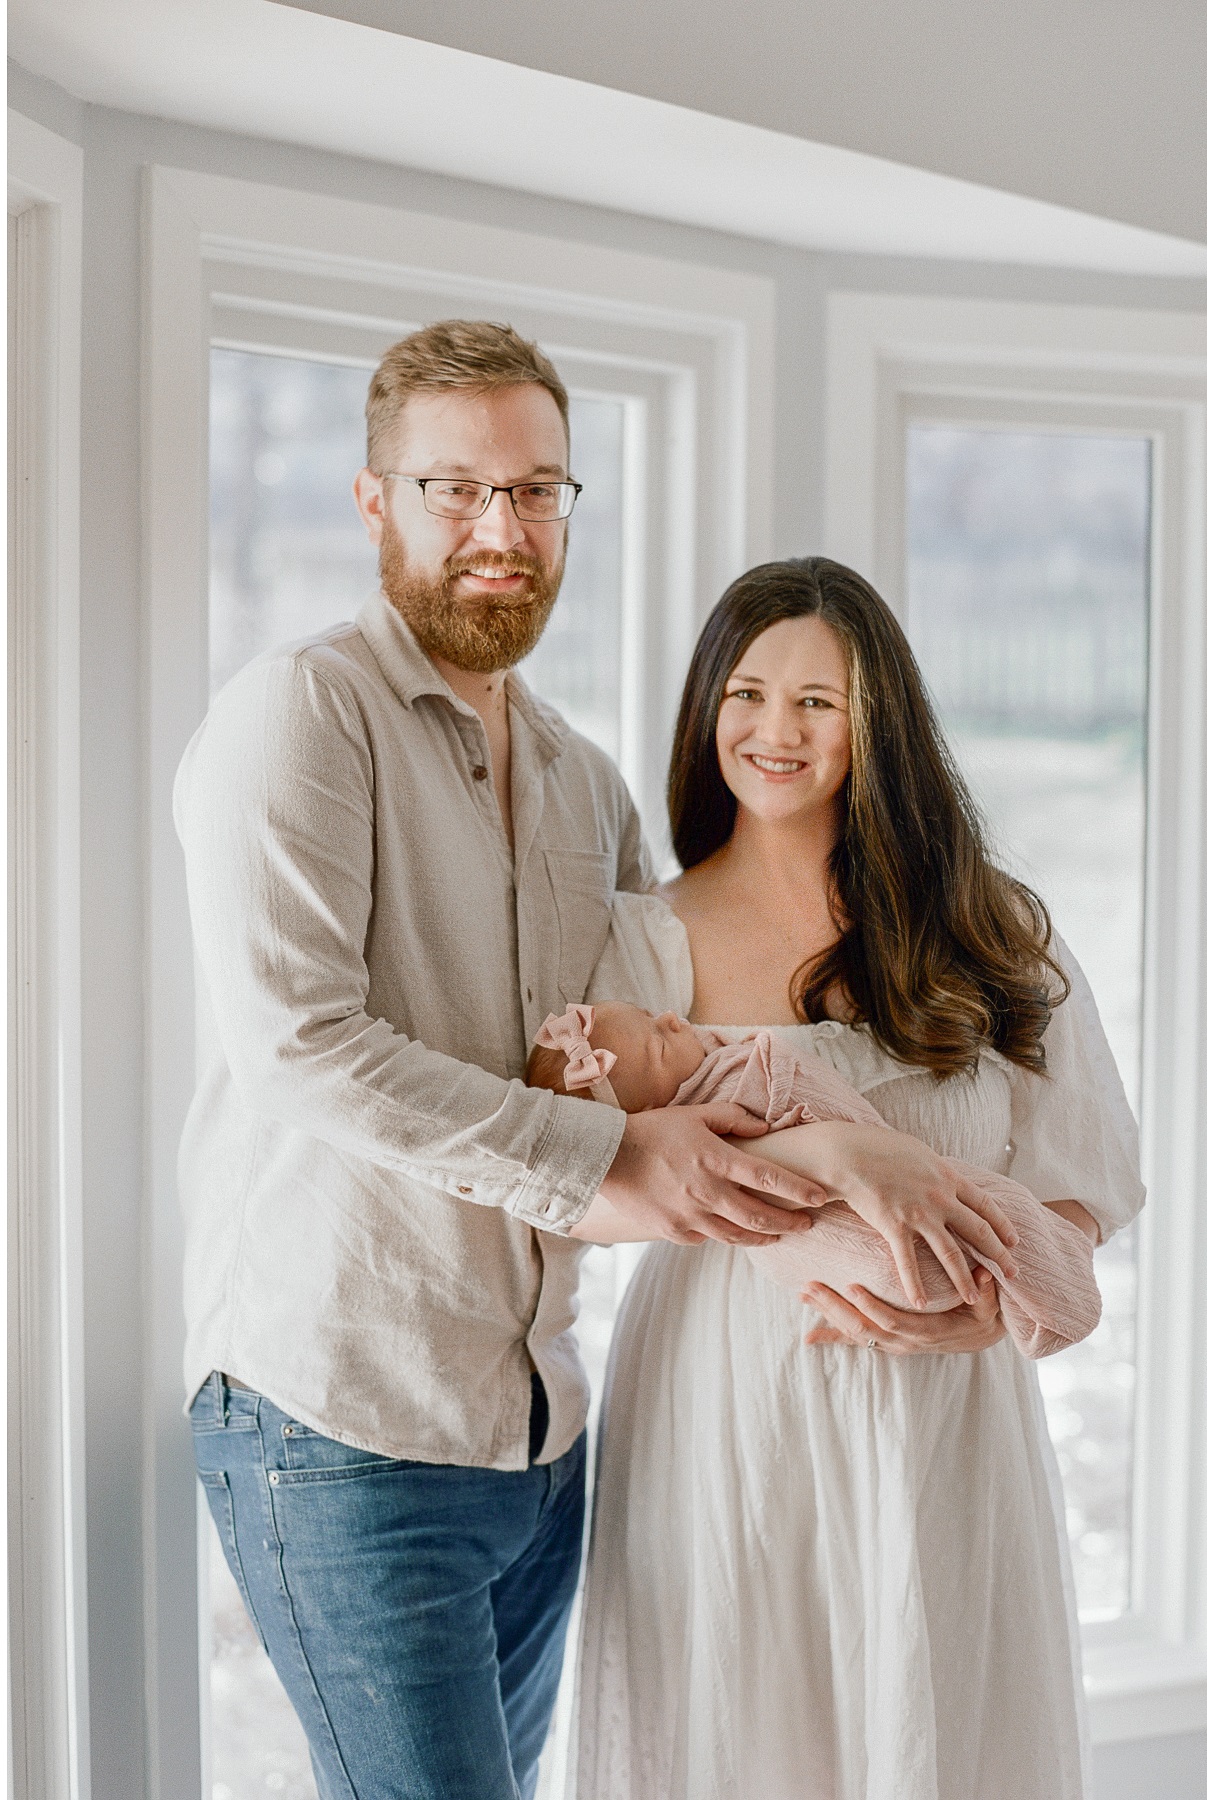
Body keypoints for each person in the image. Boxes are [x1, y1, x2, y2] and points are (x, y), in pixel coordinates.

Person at [175, 321, 976, 1799]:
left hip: (541, 1439)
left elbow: (644, 1077)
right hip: (345, 1420)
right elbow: (301, 1048)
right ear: (373, 502)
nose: (500, 530)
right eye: (454, 490)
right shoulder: (299, 716)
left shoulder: (581, 784)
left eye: (536, 491)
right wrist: (610, 1155)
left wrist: (852, 1175)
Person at [569, 559, 1144, 1799]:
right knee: (745, 1730)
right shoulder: (640, 938)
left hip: (951, 1413)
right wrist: (831, 1154)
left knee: (941, 1725)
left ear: (879, 723)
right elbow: (583, 1184)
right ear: (705, 708)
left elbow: (1080, 1181)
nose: (776, 731)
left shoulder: (996, 931)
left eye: (818, 702)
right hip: (727, 1405)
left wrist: (987, 1302)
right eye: (749, 691)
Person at [525, 998, 1100, 1356]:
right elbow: (557, 1190)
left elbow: (1090, 1167)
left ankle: (1046, 1293)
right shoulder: (636, 923)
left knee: (988, 1211)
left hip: (954, 1365)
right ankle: (1049, 1293)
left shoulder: (992, 918)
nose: (674, 1018)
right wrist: (823, 1152)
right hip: (731, 1351)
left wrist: (992, 1319)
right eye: (658, 1039)